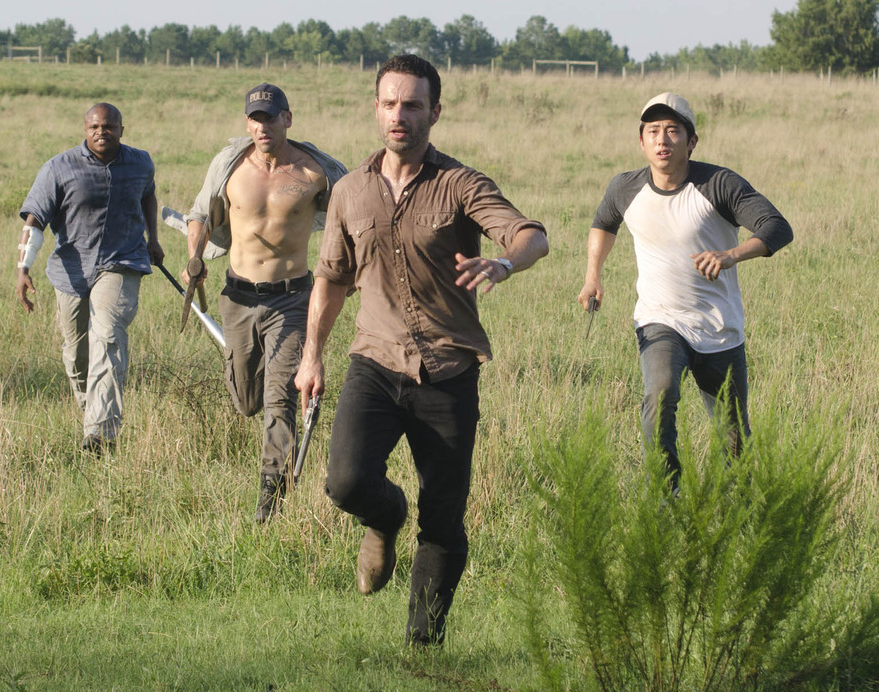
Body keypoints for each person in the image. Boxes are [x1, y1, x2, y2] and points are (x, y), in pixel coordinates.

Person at [295, 54, 548, 646]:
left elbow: (531, 234)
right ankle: (385, 517)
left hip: (448, 372)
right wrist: (312, 355)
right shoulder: (350, 191)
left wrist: (505, 261)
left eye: (412, 104)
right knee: (347, 483)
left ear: (435, 111)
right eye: (389, 103)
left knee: (444, 517)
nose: (399, 116)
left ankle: (423, 645)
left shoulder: (461, 184)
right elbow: (331, 279)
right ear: (376, 108)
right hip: (374, 363)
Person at [579, 91, 792, 485]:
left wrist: (732, 254)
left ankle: (736, 513)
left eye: (673, 131)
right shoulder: (625, 188)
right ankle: (667, 496)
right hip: (660, 320)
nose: (662, 140)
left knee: (733, 439)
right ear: (641, 141)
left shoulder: (719, 184)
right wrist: (594, 275)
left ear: (692, 142)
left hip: (719, 328)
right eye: (653, 131)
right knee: (659, 397)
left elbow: (778, 228)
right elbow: (603, 224)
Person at [183, 83, 349, 523]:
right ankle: (248, 394)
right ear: (247, 123)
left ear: (288, 119)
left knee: (281, 400)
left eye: (270, 118)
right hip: (237, 296)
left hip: (293, 300)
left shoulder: (316, 172)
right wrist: (194, 257)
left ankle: (270, 502)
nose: (262, 127)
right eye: (255, 119)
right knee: (246, 402)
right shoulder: (230, 166)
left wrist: (352, 273)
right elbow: (200, 213)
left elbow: (352, 219)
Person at [15, 102, 166, 454]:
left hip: (122, 261)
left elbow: (148, 196)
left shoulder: (140, 162)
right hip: (72, 269)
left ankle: (101, 433)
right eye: (95, 127)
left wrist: (153, 239)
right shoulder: (59, 168)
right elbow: (34, 220)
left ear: (121, 130)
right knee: (77, 354)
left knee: (108, 338)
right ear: (85, 130)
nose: (102, 132)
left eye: (109, 127)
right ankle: (91, 413)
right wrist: (23, 268)